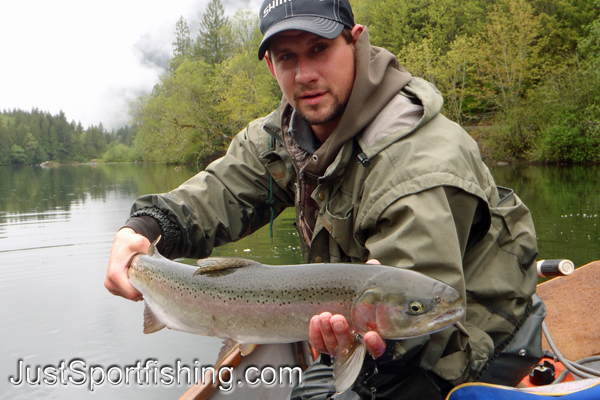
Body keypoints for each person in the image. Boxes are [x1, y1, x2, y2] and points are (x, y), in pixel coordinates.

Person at [105, 0, 540, 398]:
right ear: (270, 65)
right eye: (286, 57)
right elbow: (215, 195)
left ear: (355, 41)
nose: (304, 74)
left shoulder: (419, 164)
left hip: (472, 343)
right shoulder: (289, 132)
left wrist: (373, 339)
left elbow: (418, 321)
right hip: (357, 332)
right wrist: (142, 228)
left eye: (319, 49)